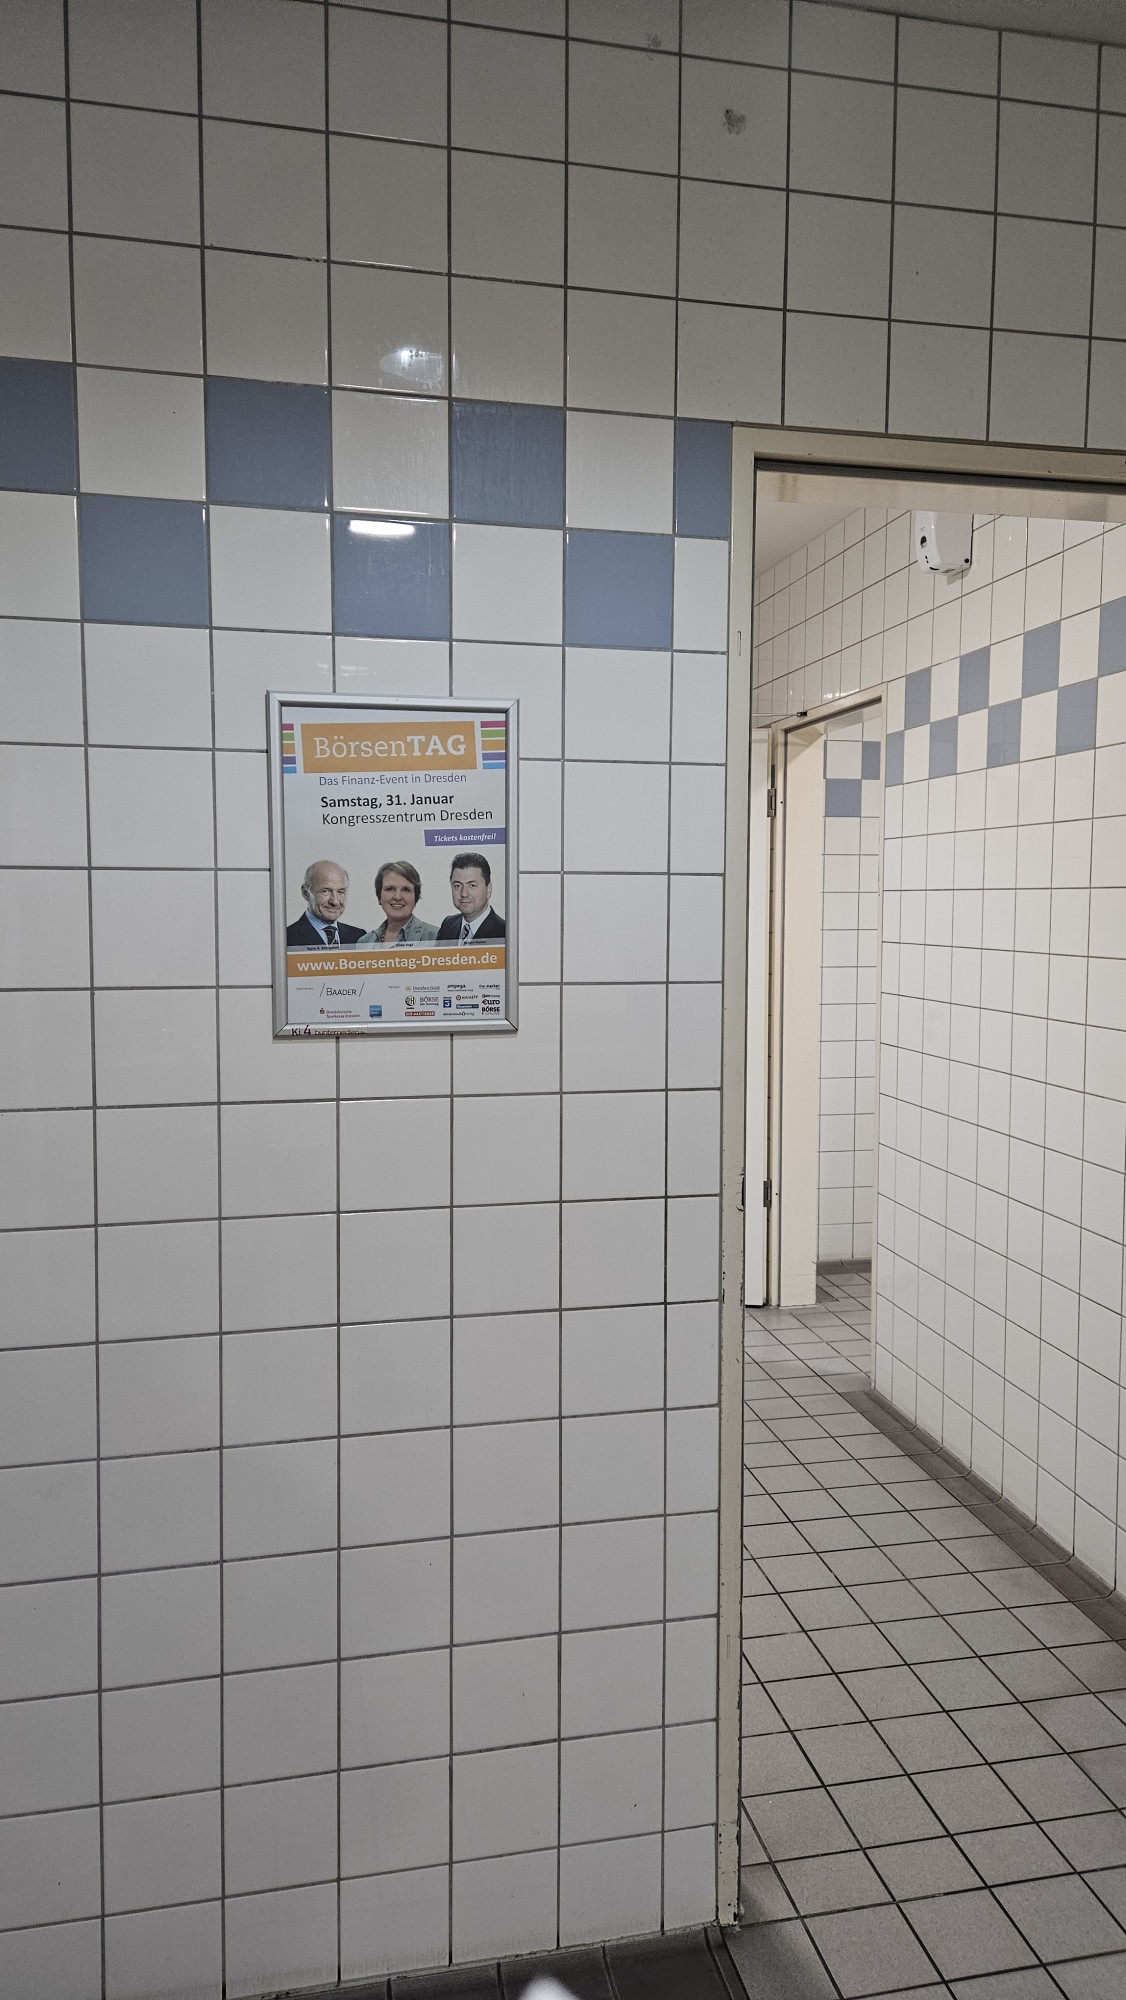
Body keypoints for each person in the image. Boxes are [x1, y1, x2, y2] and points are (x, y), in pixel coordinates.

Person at [358, 860, 439, 946]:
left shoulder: (434, 937)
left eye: (406, 890)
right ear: (379, 896)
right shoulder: (365, 942)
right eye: (390, 889)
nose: (398, 897)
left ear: (416, 897)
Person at [287, 860, 365, 947]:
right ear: (305, 893)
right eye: (325, 891)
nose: (335, 901)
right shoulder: (285, 939)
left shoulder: (360, 938)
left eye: (340, 892)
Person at [436, 851, 506, 941]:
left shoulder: (504, 932)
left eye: (472, 885)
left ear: (488, 889)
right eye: (457, 886)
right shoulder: (447, 925)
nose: (464, 893)